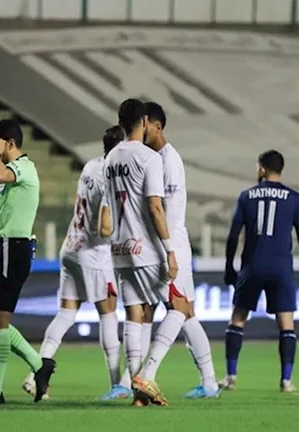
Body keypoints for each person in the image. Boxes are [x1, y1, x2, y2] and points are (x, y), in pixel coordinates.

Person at [120, 101, 220, 399]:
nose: (142, 128)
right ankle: (210, 382)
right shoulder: (154, 157)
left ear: (156, 126)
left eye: (145, 123)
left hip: (169, 244)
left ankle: (142, 377)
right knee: (185, 312)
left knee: (174, 309)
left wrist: (166, 248)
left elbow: (163, 209)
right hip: (163, 244)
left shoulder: (167, 159)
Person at [21, 126, 128, 401]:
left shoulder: (91, 166)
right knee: (108, 315)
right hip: (94, 255)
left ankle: (36, 375)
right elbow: (105, 228)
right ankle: (117, 384)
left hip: (70, 247)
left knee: (66, 313)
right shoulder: (111, 177)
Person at [219, 150, 299, 393]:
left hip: (253, 266)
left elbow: (234, 234)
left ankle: (231, 377)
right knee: (286, 324)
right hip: (280, 268)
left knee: (237, 320)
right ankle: (286, 381)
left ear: (263, 169)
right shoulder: (294, 198)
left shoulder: (247, 196)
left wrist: (229, 267)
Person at [0, 119, 55, 404]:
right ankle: (40, 365)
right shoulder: (3, 169)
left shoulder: (24, 168)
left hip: (13, 247)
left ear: (10, 143)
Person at [101, 99, 178, 406]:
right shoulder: (149, 157)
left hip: (119, 248)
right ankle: (145, 377)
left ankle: (138, 392)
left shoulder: (109, 159)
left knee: (134, 314)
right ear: (144, 122)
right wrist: (170, 249)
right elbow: (155, 206)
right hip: (144, 246)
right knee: (179, 308)